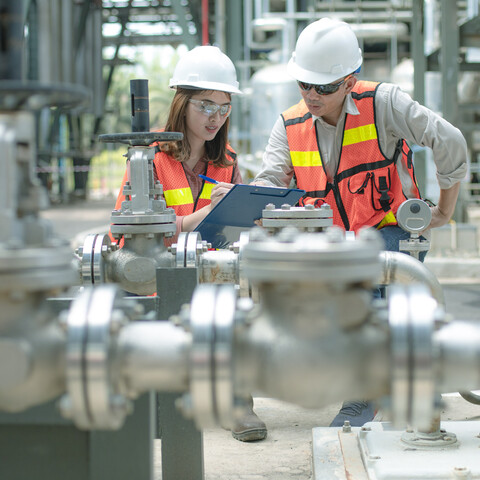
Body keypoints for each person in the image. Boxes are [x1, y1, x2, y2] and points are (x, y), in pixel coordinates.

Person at [252, 18, 467, 427]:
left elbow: (449, 140)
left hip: (392, 232)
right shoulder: (290, 124)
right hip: (333, 242)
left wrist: (444, 210)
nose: (312, 95)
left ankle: (361, 399)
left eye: (325, 87)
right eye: (304, 84)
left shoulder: (384, 104)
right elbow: (269, 180)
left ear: (350, 82)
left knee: (373, 299)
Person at [113, 45, 267, 442]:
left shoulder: (225, 161)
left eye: (224, 107)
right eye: (205, 106)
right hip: (159, 275)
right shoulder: (148, 161)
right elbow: (125, 236)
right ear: (182, 103)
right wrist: (201, 217)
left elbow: (225, 230)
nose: (215, 117)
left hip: (210, 270)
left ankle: (238, 404)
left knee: (236, 304)